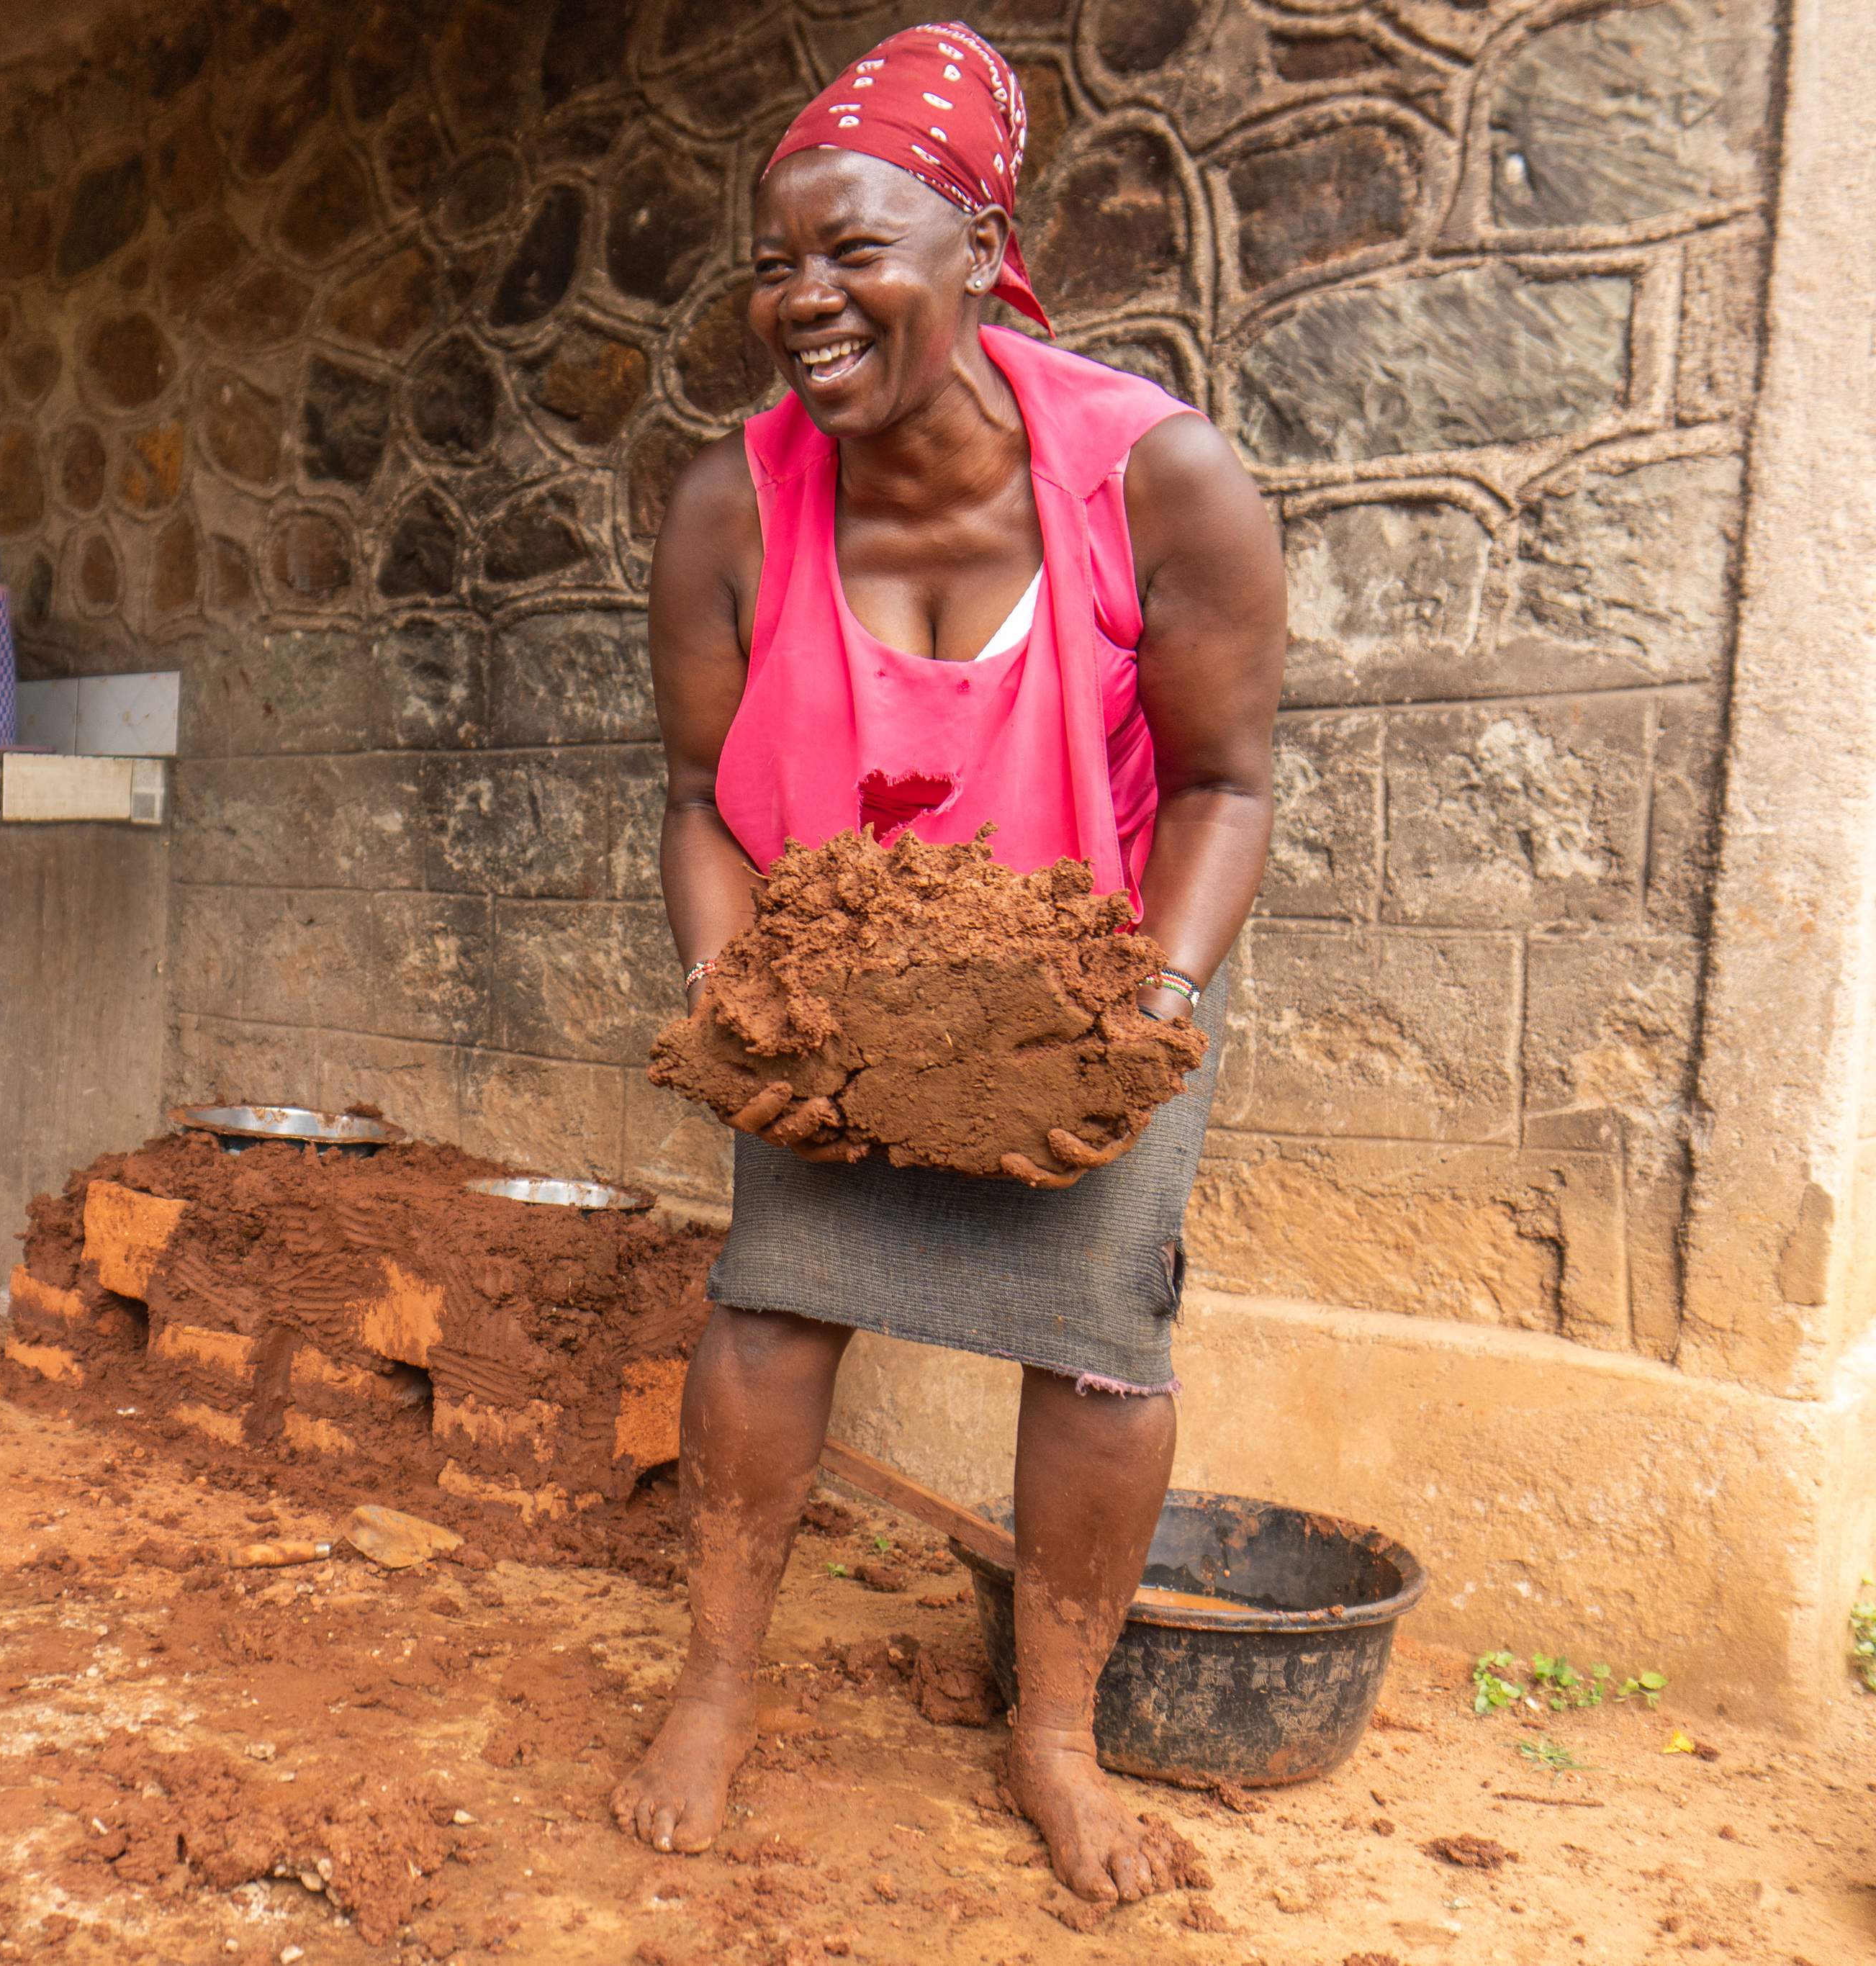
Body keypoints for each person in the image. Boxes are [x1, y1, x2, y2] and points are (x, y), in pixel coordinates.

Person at [609, 21, 1286, 1907]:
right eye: (776, 262)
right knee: (768, 1301)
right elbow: (696, 799)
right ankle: (722, 1682)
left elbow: (1229, 782)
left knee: (1102, 1350)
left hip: (1099, 952)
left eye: (853, 254)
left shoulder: (1161, 481)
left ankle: (1052, 1731)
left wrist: (1144, 1013)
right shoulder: (728, 510)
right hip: (838, 960)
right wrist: (742, 995)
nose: (801, 301)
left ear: (984, 253)